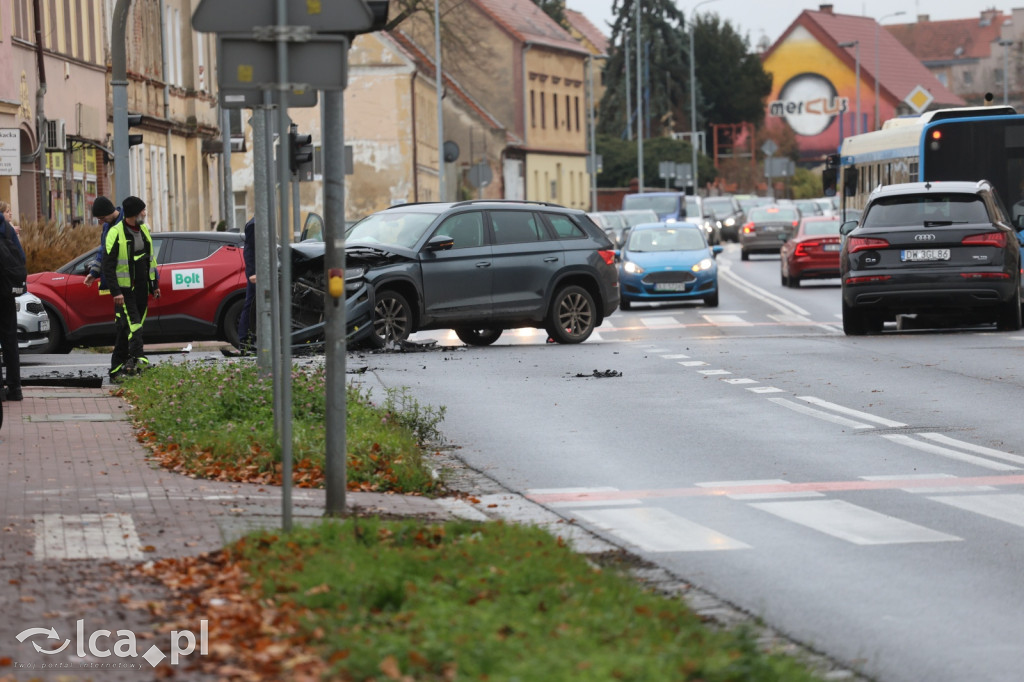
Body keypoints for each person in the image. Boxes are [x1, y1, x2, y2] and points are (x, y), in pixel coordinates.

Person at [101, 196, 160, 383]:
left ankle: (118, 369)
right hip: (125, 291)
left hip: (142, 289)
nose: (145, 212)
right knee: (134, 326)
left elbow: (150, 260)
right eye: (142, 210)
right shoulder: (115, 233)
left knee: (126, 330)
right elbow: (108, 267)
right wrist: (116, 292)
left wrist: (154, 285)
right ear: (134, 213)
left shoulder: (143, 230)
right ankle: (140, 361)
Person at [0, 202, 26, 401]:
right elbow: (21, 258)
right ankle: (15, 389)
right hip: (7, 292)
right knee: (10, 340)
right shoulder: (8, 230)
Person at [84, 196, 123, 288]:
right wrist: (93, 273)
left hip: (128, 282)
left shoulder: (128, 223)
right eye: (99, 219)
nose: (101, 222)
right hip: (114, 282)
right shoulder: (107, 226)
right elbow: (103, 251)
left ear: (109, 211)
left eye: (102, 218)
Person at [236, 216, 257, 352]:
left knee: (254, 305)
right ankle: (244, 339)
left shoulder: (258, 223)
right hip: (256, 273)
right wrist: (253, 273)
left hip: (259, 272)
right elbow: (252, 251)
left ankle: (250, 339)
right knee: (251, 305)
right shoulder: (254, 225)